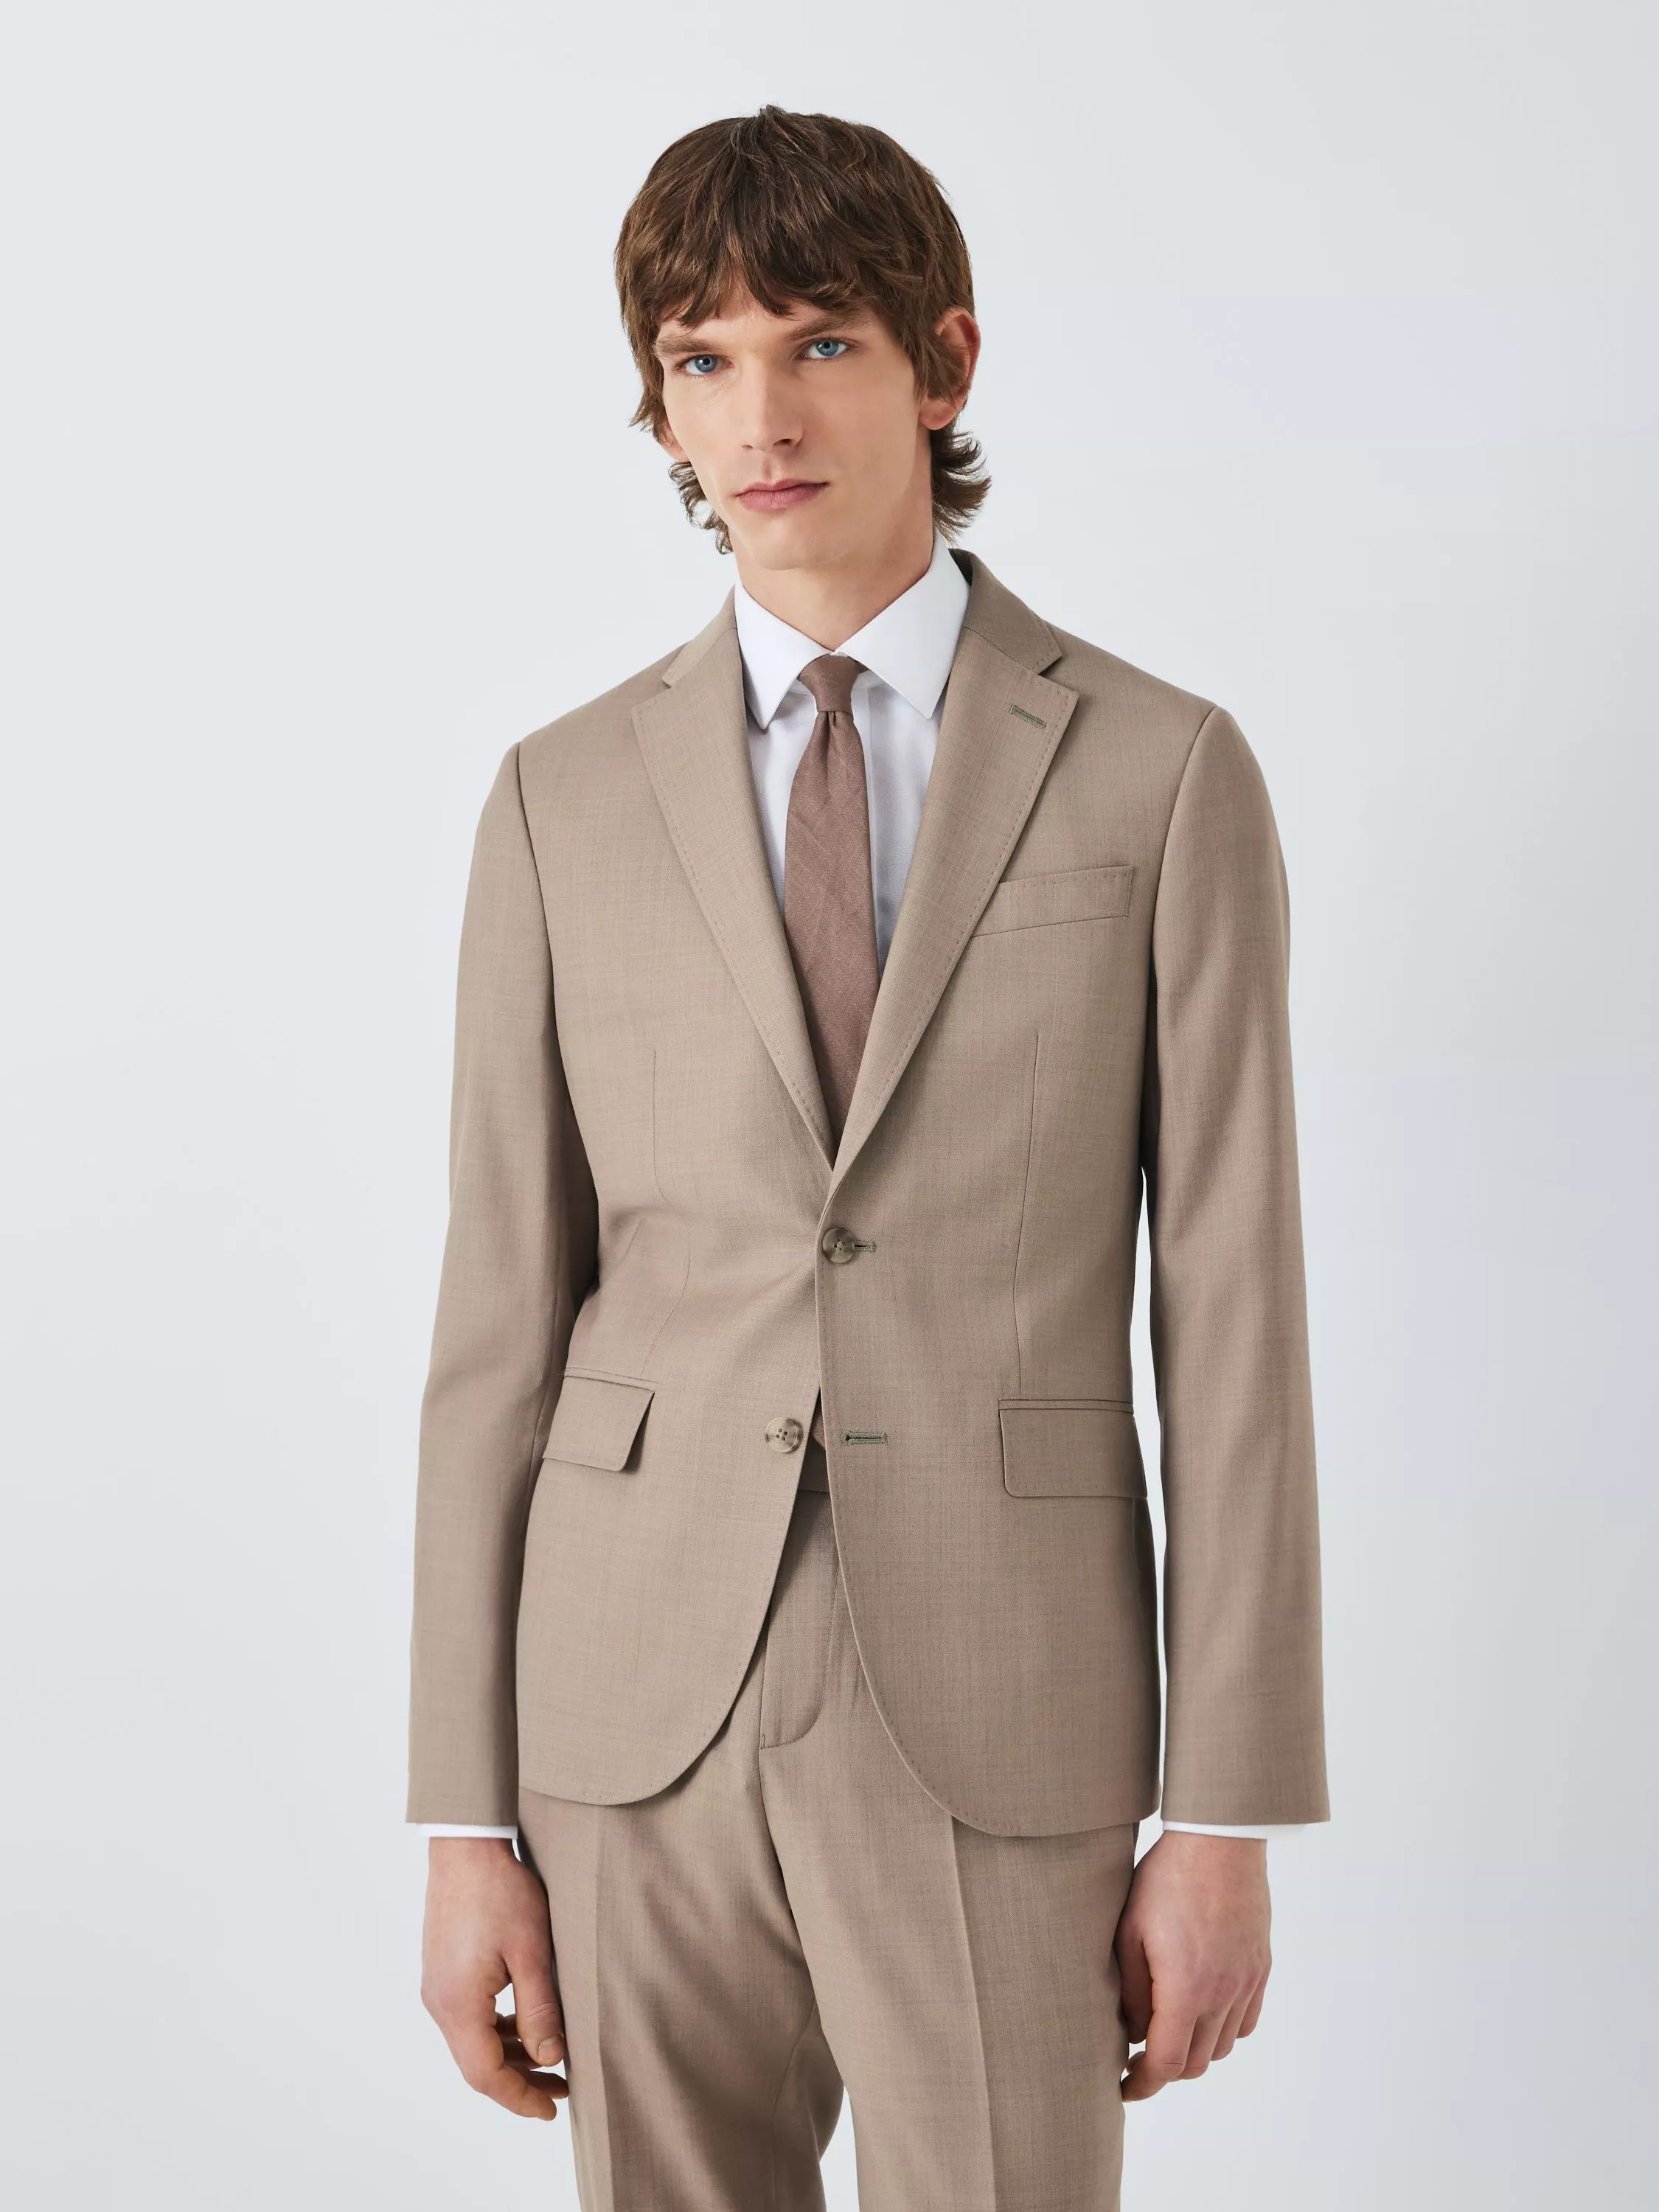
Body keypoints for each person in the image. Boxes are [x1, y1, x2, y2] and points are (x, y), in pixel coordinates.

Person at [407, 105, 1328, 2210]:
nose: (760, 416)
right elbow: (496, 1327)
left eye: (819, 342)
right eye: (703, 359)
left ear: (944, 361)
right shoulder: (557, 798)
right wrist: (463, 1822)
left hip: (1006, 1703)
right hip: (631, 1707)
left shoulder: (1163, 772)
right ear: (658, 400)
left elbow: (1235, 1323)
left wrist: (1226, 1813)